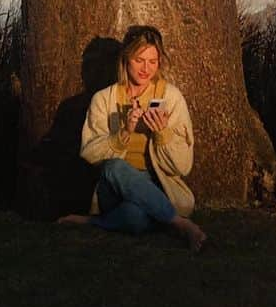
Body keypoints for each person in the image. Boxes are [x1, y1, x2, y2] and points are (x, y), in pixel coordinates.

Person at [58, 24, 207, 251]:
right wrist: (123, 134)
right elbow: (88, 151)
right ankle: (179, 223)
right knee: (116, 167)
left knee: (135, 218)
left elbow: (183, 166)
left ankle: (92, 221)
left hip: (156, 184)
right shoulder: (104, 99)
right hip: (115, 185)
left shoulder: (171, 97)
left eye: (152, 62)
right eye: (139, 60)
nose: (146, 69)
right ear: (125, 59)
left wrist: (163, 135)